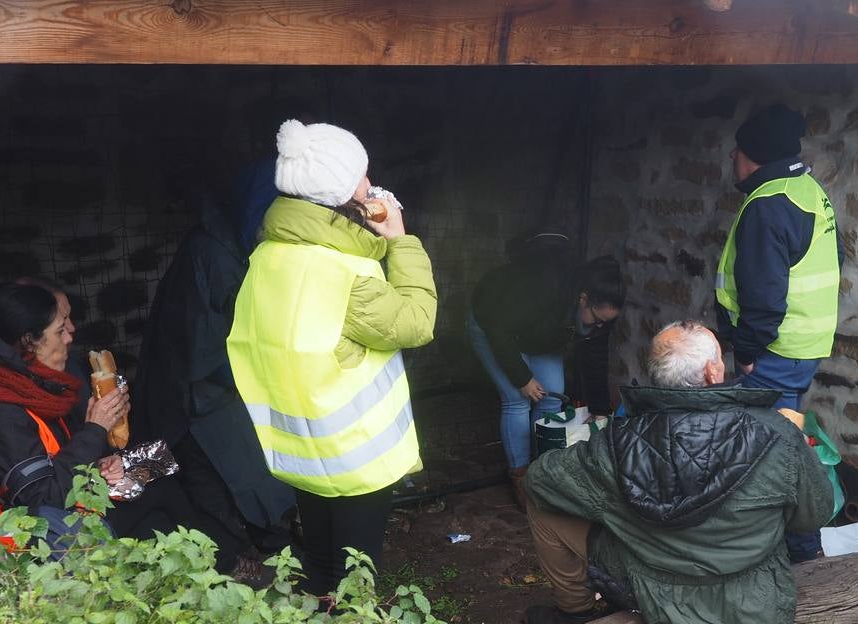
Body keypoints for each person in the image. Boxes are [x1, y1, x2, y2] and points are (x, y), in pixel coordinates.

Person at [521, 321, 835, 624]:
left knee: (545, 511)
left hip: (657, 590)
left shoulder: (616, 445)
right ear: (713, 371)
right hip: (757, 605)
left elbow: (538, 481)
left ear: (656, 377)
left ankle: (575, 613)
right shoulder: (779, 432)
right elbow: (814, 515)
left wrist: (609, 496)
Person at [227, 120, 437, 597]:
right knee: (358, 573)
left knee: (321, 556)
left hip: (301, 445)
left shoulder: (269, 254)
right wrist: (400, 238)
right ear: (341, 192)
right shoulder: (347, 271)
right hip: (353, 454)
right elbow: (417, 322)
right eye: (362, 175)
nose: (370, 183)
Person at [0, 282, 213, 552]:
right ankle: (219, 569)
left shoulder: (20, 382)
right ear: (29, 341)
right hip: (23, 534)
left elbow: (51, 459)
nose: (70, 337)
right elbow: (42, 498)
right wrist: (95, 428)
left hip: (60, 503)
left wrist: (98, 462)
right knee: (161, 495)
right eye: (59, 331)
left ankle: (205, 570)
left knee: (157, 485)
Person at [132, 158, 296, 578]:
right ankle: (235, 562)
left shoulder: (228, 243)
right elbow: (208, 344)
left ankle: (249, 553)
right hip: (196, 392)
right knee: (205, 471)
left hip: (204, 385)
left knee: (223, 470)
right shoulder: (216, 256)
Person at [715, 103, 842, 563]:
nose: (731, 158)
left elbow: (765, 293)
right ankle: (797, 548)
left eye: (737, 151)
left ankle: (797, 553)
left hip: (773, 352)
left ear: (753, 156)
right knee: (784, 442)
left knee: (770, 455)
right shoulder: (807, 190)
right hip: (802, 346)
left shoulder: (769, 204)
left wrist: (747, 351)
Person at [467, 236, 625, 505]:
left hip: (541, 335)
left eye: (606, 323)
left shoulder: (600, 315)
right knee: (518, 399)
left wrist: (599, 409)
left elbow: (596, 356)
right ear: (583, 300)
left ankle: (542, 470)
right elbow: (499, 331)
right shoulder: (543, 291)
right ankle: (520, 476)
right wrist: (523, 378)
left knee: (552, 396)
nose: (600, 327)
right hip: (493, 323)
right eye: (598, 320)